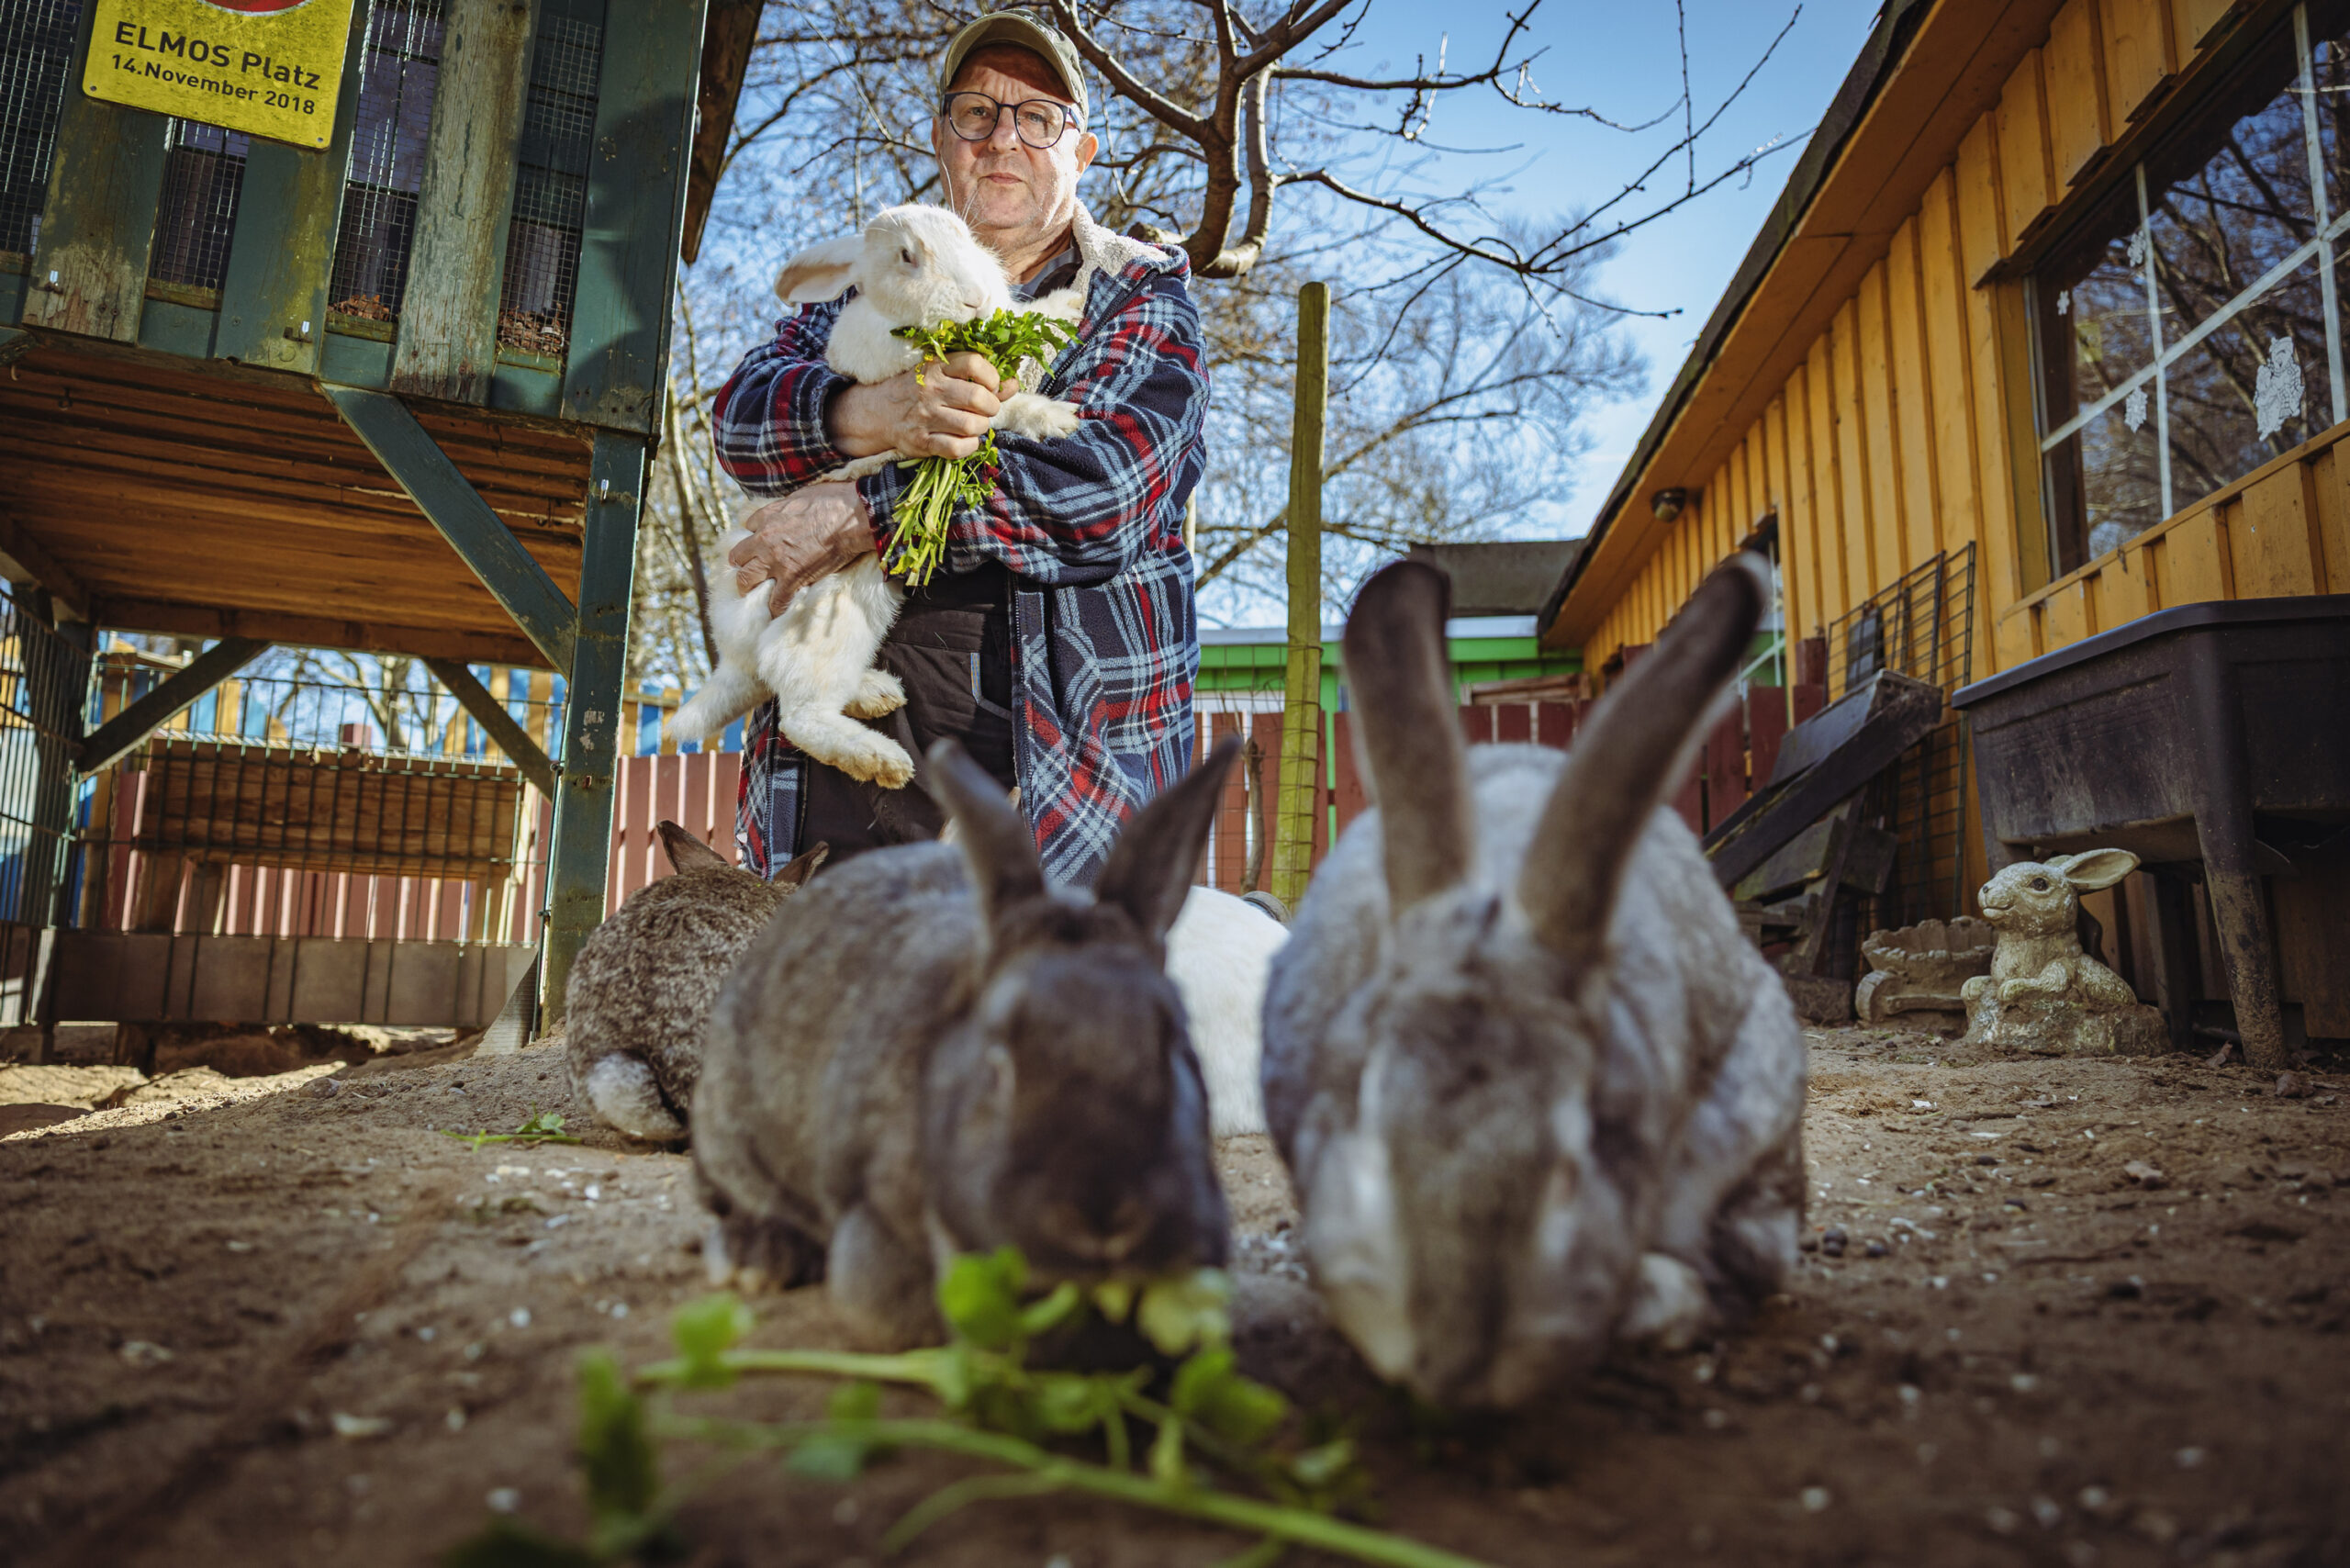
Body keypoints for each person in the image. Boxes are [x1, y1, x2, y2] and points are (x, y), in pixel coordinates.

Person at [711, 10, 1209, 888]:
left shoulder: (1138, 296)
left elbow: (1101, 493)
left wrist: (864, 508)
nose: (1002, 139)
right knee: (846, 1004)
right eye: (976, 113)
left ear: (1082, 152)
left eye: (1038, 117)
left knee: (1035, 1020)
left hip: (1061, 766)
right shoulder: (883, 275)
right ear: (944, 141)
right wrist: (872, 415)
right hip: (860, 746)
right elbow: (740, 419)